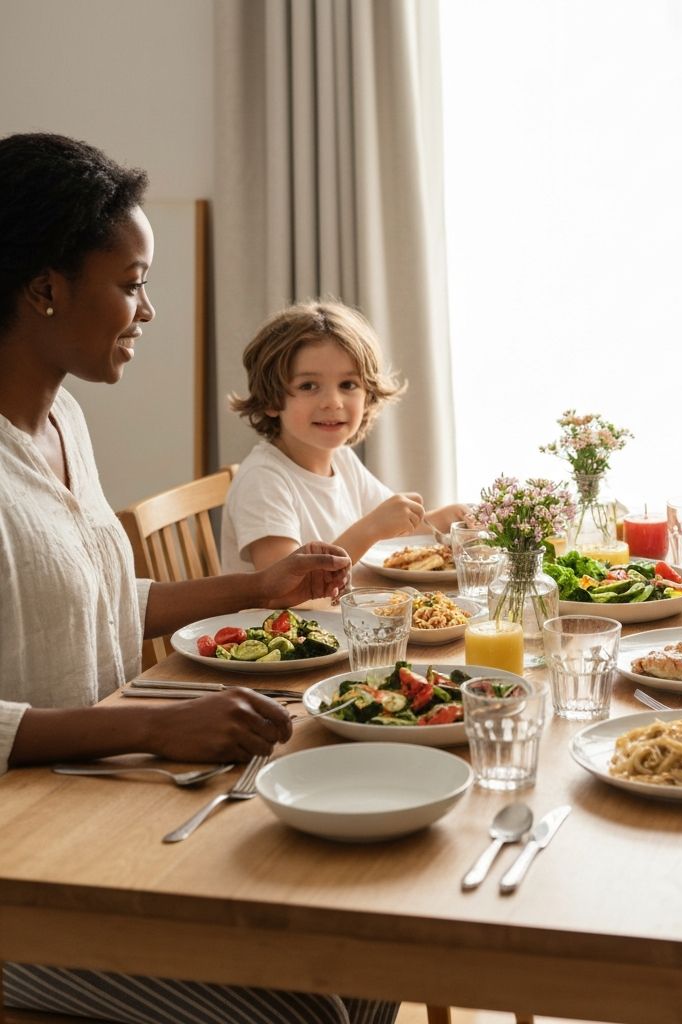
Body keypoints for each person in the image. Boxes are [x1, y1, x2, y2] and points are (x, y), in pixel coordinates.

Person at [0, 132, 392, 1024]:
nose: (147, 310)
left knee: (367, 935)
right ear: (46, 289)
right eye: (131, 282)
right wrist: (150, 726)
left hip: (98, 805)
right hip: (21, 880)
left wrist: (255, 590)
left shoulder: (61, 423)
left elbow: (88, 603)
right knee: (312, 1009)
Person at [221, 300, 468, 572]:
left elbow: (396, 530)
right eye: (309, 386)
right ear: (270, 399)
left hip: (337, 611)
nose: (333, 402)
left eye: (348, 385)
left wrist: (449, 518)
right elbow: (283, 587)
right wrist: (371, 528)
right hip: (286, 616)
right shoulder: (263, 481)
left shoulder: (341, 459)